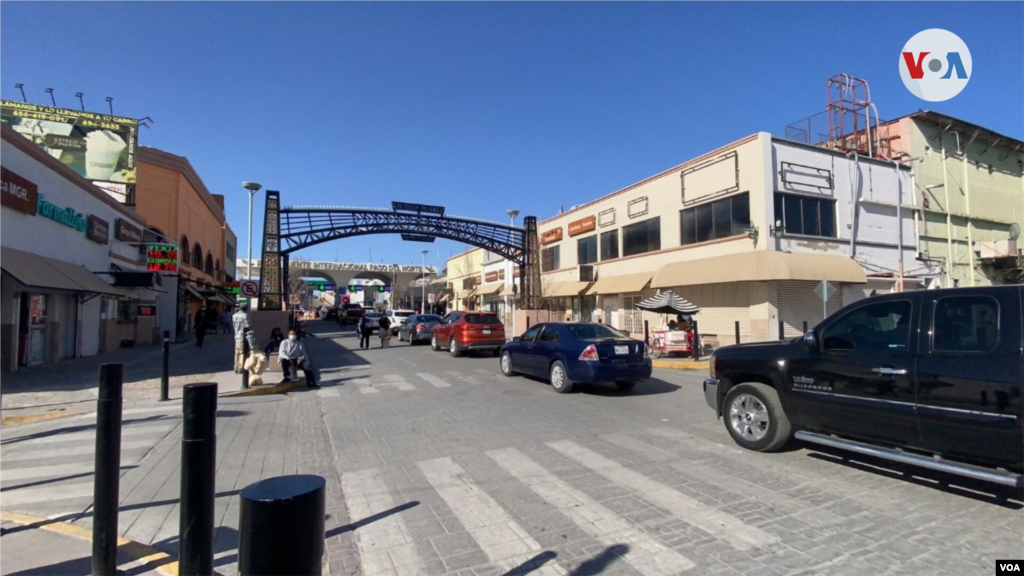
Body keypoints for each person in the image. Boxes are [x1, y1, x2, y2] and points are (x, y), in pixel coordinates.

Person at [232, 306, 250, 373]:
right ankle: (240, 367)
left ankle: (235, 367)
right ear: (245, 309)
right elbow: (247, 326)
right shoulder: (245, 315)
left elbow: (233, 325)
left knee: (236, 353)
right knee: (242, 352)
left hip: (236, 336)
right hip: (242, 336)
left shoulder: (234, 315)